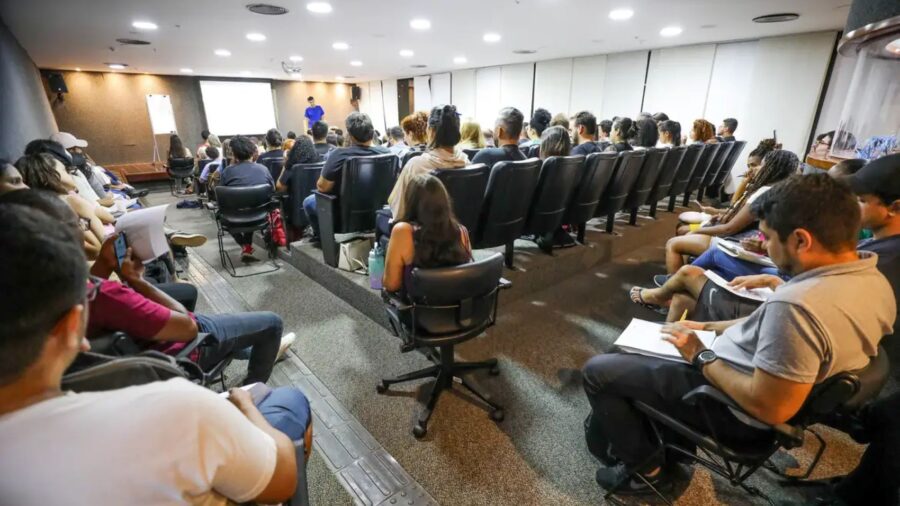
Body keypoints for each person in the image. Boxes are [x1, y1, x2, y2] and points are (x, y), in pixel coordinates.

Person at [584, 173, 896, 494]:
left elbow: (770, 408)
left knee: (597, 371)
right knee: (633, 350)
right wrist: (703, 327)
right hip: (735, 370)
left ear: (801, 240)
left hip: (730, 409)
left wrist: (698, 353)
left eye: (768, 239)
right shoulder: (872, 278)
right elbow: (762, 329)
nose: (764, 247)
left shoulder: (799, 307)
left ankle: (648, 471)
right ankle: (666, 441)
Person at [0, 201, 309, 505]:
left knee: (191, 295)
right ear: (71, 328)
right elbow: (281, 482)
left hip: (144, 348)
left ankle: (242, 349)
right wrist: (244, 404)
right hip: (185, 345)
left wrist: (107, 267)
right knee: (287, 379)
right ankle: (252, 376)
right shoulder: (178, 410)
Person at [662, 150, 799, 273]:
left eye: (760, 165)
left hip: (738, 243)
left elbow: (729, 228)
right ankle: (680, 278)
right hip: (754, 244)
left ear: (770, 169)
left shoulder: (765, 192)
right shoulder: (787, 191)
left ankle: (673, 289)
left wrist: (697, 231)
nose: (755, 169)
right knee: (685, 233)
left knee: (674, 242)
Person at [303, 112, 390, 240]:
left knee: (308, 202)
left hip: (344, 214)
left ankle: (324, 239)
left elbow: (322, 187)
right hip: (377, 211)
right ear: (372, 132)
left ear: (350, 135)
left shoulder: (339, 155)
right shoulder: (387, 153)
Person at [383, 174, 472, 294]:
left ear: (411, 202)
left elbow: (391, 285)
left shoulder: (403, 231)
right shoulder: (462, 231)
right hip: (457, 308)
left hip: (417, 309)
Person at [16, 153, 104, 257]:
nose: (70, 175)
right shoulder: (67, 202)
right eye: (65, 171)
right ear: (47, 176)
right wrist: (78, 222)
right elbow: (98, 246)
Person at [389, 105, 468, 219]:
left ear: (430, 131)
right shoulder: (466, 161)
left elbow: (398, 209)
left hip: (424, 234)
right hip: (458, 230)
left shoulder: (416, 165)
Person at [219, 135, 275, 260]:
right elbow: (272, 191)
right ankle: (247, 246)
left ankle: (245, 246)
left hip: (233, 218)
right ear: (252, 151)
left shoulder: (228, 172)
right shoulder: (263, 169)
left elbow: (221, 199)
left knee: (233, 212)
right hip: (261, 217)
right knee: (250, 205)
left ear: (233, 153)